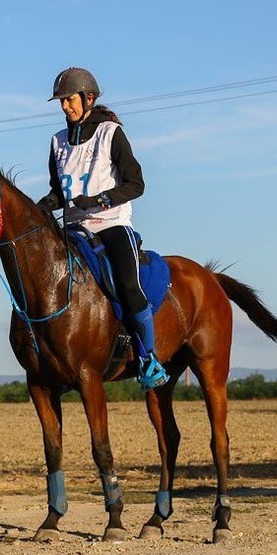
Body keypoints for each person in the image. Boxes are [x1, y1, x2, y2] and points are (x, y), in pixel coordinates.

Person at [39, 67, 169, 390]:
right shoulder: (57, 143)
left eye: (69, 100)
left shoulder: (111, 133)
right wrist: (43, 204)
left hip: (111, 224)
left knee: (127, 284)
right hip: (73, 229)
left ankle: (148, 358)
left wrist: (101, 199)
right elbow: (60, 191)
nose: (65, 107)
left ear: (89, 98)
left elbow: (136, 183)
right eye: (62, 102)